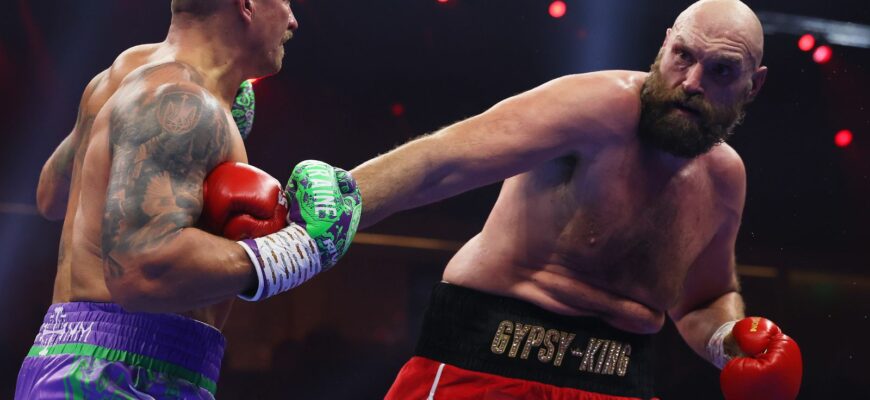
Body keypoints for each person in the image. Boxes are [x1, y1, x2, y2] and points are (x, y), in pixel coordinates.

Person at [350, 0, 802, 398]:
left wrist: (730, 341)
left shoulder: (724, 179)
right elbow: (444, 159)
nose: (691, 82)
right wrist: (333, 206)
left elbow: (703, 300)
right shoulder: (597, 107)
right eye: (683, 56)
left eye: (721, 70)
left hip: (621, 383)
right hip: (487, 364)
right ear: (665, 44)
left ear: (753, 85)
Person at [17, 1, 360, 398]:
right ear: (247, 5)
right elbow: (140, 272)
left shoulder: (122, 73)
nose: (293, 20)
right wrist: (295, 251)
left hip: (75, 358)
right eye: (285, 1)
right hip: (119, 372)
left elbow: (51, 195)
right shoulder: (183, 99)